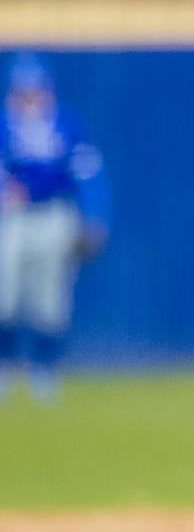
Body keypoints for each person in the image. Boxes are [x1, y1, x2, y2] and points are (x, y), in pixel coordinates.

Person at [0, 54, 110, 404]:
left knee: (50, 299)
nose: (30, 99)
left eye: (35, 92)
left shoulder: (66, 125)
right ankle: (4, 366)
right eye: (23, 93)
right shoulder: (4, 125)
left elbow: (88, 175)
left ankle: (43, 371)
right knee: (5, 294)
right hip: (12, 217)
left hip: (54, 214)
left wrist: (95, 217)